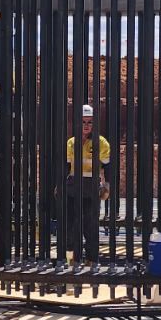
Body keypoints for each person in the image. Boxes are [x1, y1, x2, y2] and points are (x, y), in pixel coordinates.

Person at [66, 103, 111, 264]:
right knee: (72, 224)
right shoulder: (71, 143)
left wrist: (107, 186)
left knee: (90, 226)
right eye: (83, 122)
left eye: (89, 122)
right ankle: (74, 259)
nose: (86, 125)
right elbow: (66, 166)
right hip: (73, 186)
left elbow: (107, 165)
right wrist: (60, 185)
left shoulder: (101, 143)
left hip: (91, 187)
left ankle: (92, 260)